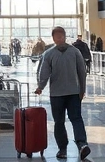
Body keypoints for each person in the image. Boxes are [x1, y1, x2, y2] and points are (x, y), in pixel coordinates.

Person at [36, 26, 90, 160]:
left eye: (59, 36)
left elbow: (44, 73)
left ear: (55, 38)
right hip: (73, 93)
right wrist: (82, 89)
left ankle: (63, 149)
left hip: (57, 95)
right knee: (76, 118)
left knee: (59, 122)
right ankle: (81, 144)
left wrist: (40, 87)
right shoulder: (75, 52)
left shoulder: (49, 54)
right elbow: (82, 72)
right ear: (61, 37)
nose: (59, 38)